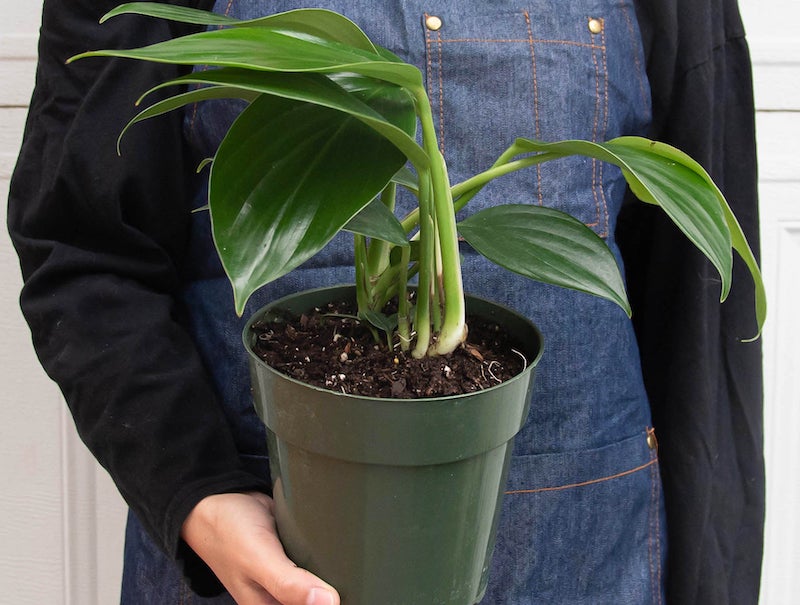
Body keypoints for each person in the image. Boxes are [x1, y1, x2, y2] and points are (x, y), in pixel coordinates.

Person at [8, 0, 763, 603]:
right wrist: (196, 497)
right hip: (271, 563)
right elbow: (82, 246)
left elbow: (700, 298)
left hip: (587, 547)